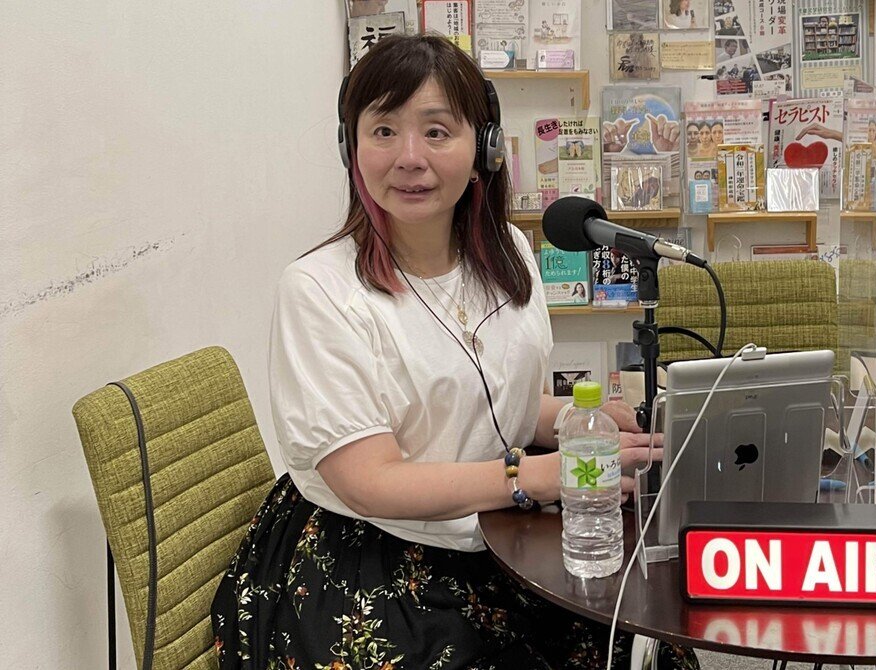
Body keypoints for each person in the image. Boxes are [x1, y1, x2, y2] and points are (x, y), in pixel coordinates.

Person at [211, 35, 699, 670]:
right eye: (383, 131)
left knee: (644, 637)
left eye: (436, 132)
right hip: (373, 556)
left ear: (484, 150)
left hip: (500, 532)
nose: (409, 158)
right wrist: (533, 477)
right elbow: (370, 483)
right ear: (351, 149)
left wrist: (586, 420)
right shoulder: (318, 290)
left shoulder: (509, 257)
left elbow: (492, 406)